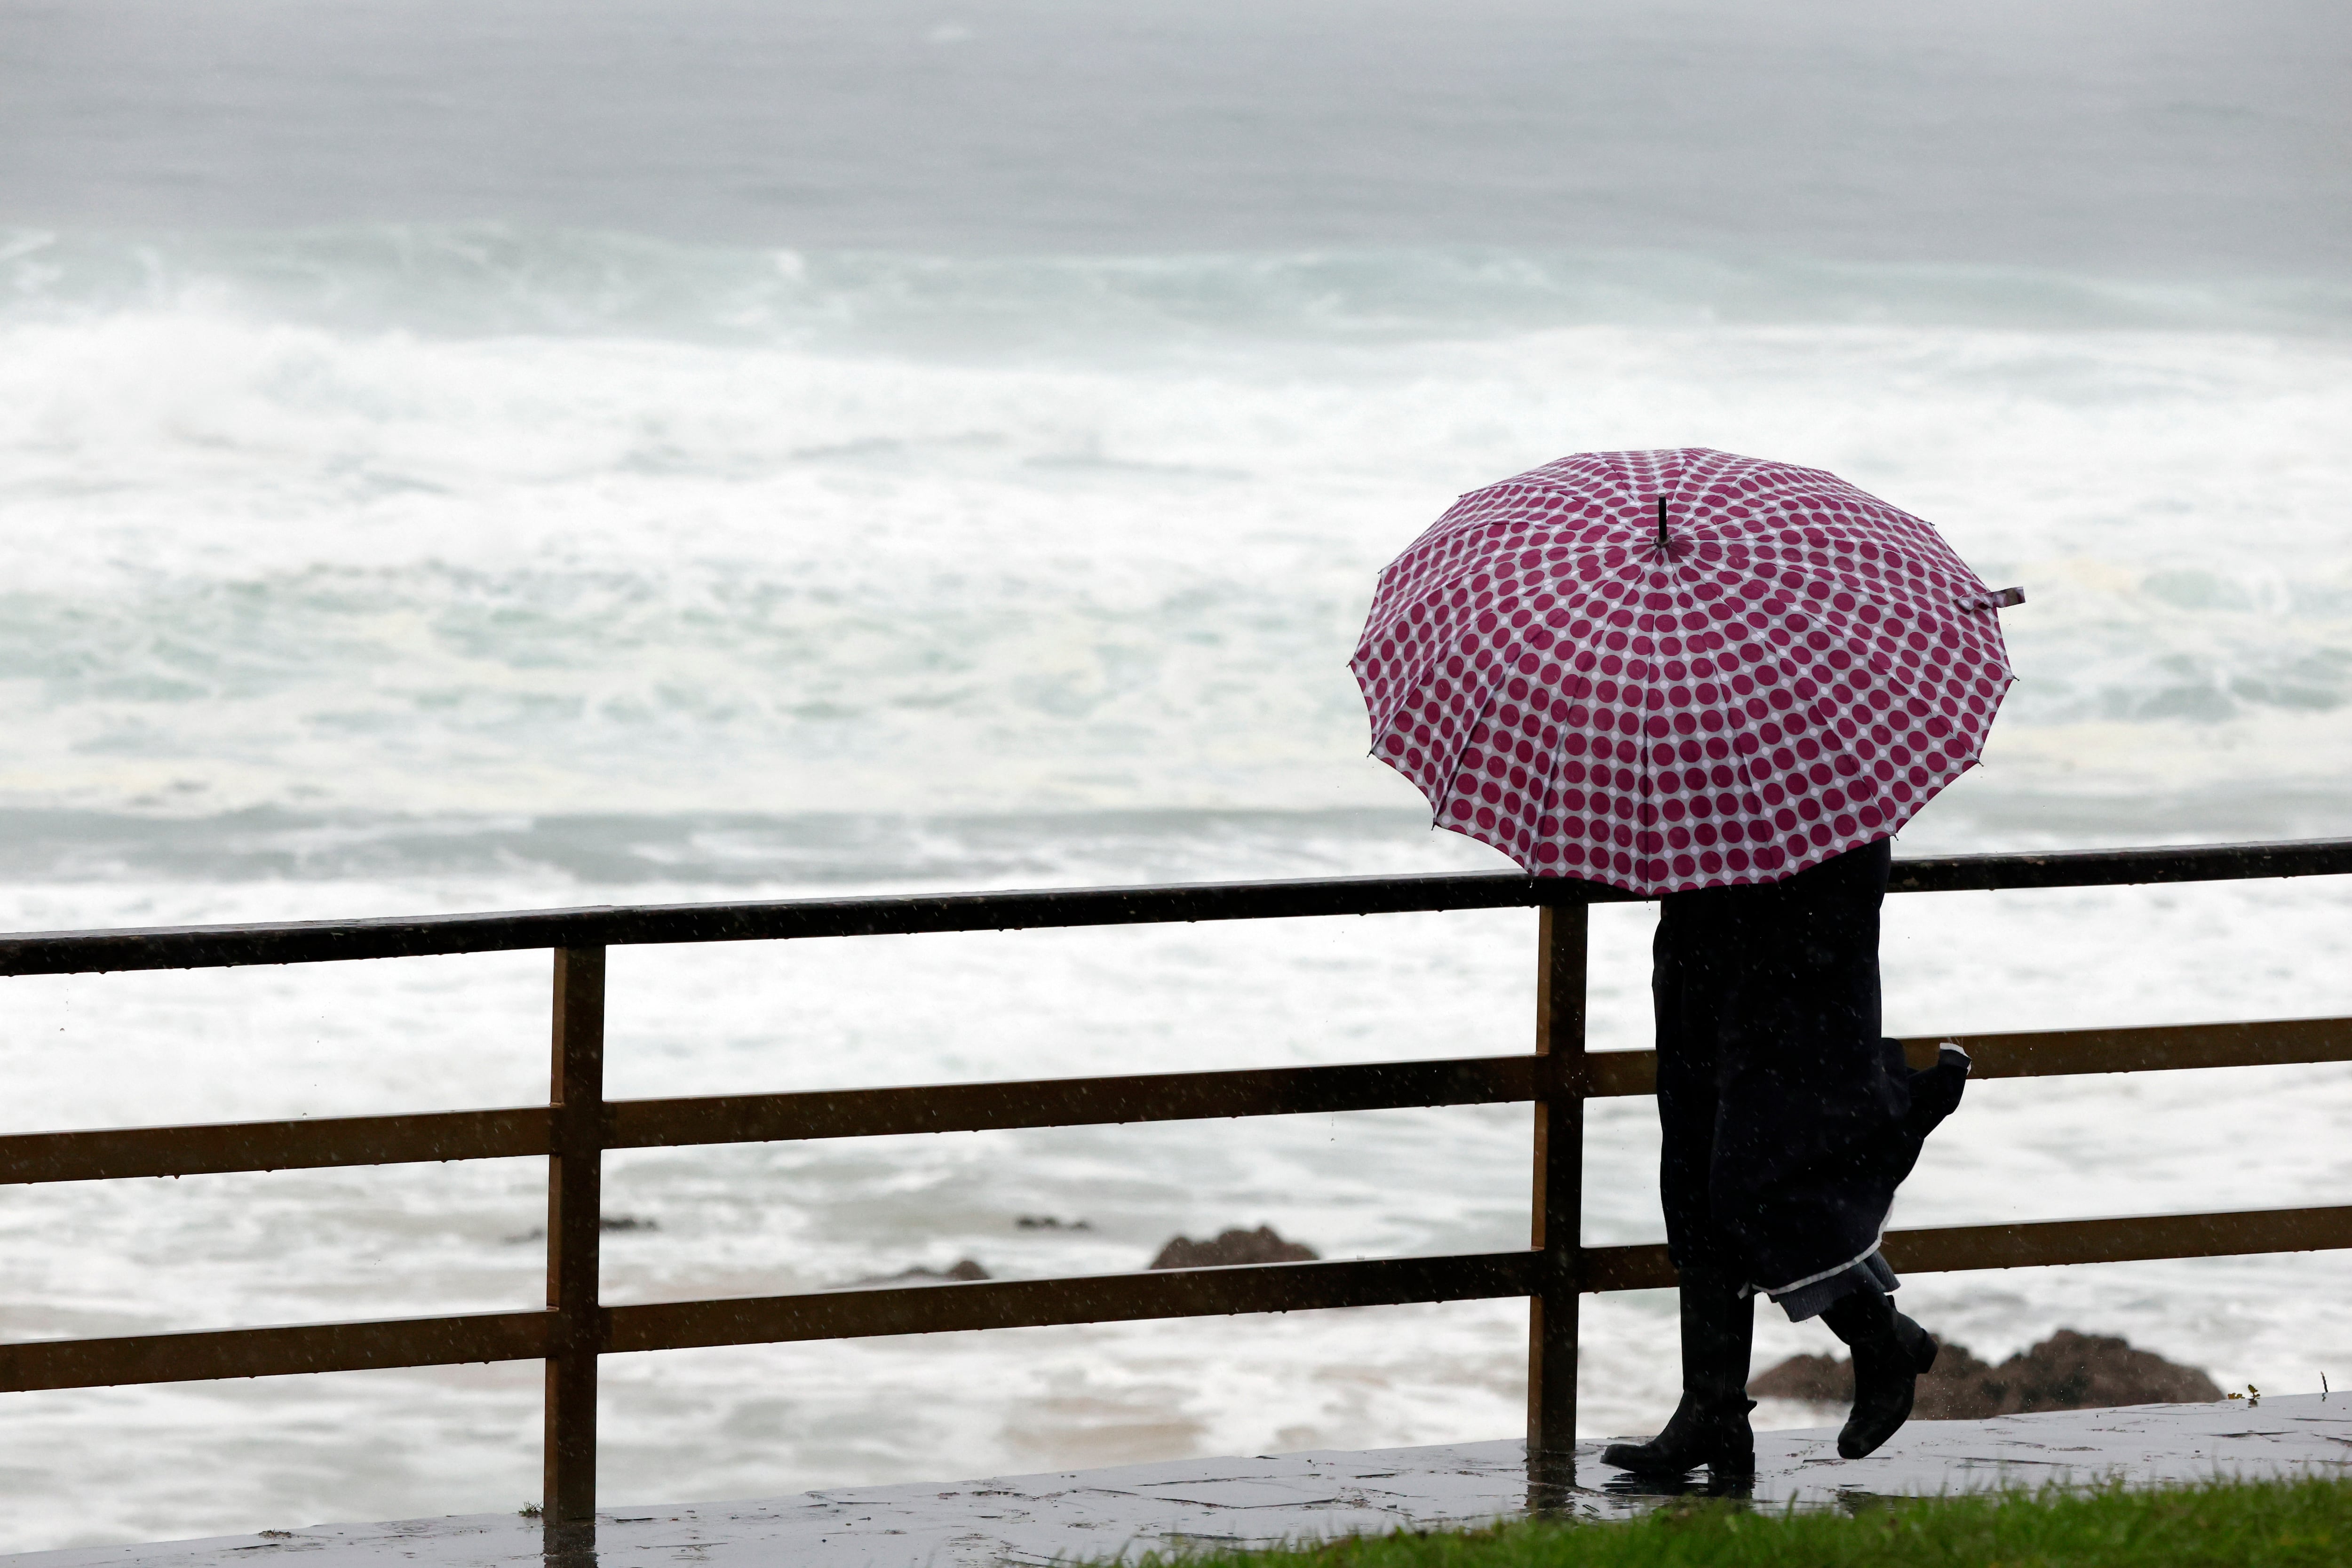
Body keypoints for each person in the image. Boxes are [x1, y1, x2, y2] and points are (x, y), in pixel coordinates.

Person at [1599, 837, 1971, 1480]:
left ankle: (1880, 1337)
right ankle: (1711, 1409)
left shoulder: (1817, 784)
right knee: (1691, 1184)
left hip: (1787, 977)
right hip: (1698, 946)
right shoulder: (1704, 757)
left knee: (1753, 1186)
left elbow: (1842, 900)